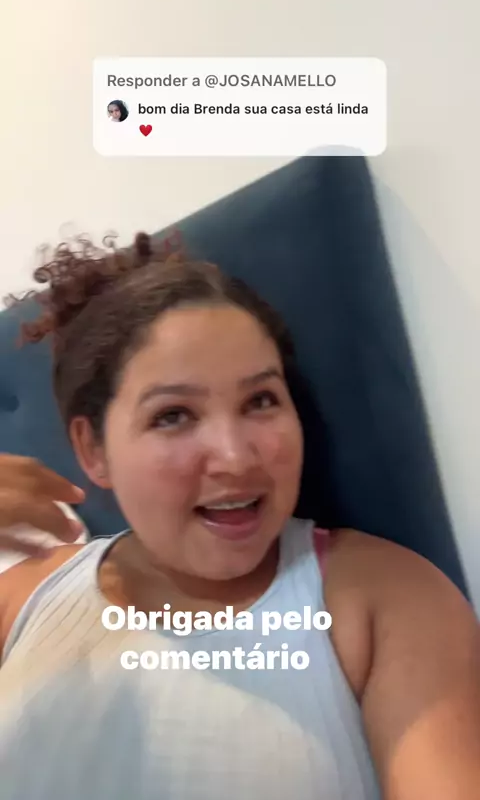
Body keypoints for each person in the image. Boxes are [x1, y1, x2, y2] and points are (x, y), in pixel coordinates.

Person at [0, 232, 479, 800]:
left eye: (260, 401)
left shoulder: (381, 601)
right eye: (173, 415)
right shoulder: (24, 598)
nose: (235, 457)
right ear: (93, 449)